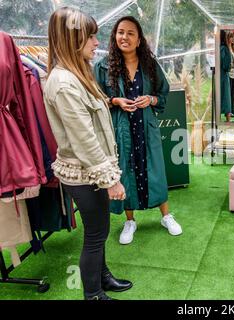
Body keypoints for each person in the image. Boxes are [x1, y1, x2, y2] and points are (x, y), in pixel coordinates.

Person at [43, 7, 132, 300]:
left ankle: (102, 278)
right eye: (90, 36)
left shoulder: (77, 74)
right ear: (72, 39)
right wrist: (111, 180)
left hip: (90, 172)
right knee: (95, 236)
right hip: (86, 174)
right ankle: (93, 294)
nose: (97, 42)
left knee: (99, 232)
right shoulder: (64, 83)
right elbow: (85, 141)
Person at [94, 16, 182, 245]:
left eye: (131, 33)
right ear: (115, 36)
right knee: (126, 170)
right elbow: (95, 98)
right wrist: (115, 101)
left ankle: (166, 216)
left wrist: (151, 99)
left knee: (155, 170)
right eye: (120, 32)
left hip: (146, 127)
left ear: (139, 39)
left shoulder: (150, 66)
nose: (125, 37)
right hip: (122, 128)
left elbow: (163, 92)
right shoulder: (103, 67)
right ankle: (130, 221)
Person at [219, 30, 232, 122]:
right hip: (223, 75)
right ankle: (228, 120)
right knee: (226, 97)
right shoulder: (224, 48)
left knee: (221, 95)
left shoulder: (219, 48)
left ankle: (223, 118)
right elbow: (226, 65)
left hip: (219, 75)